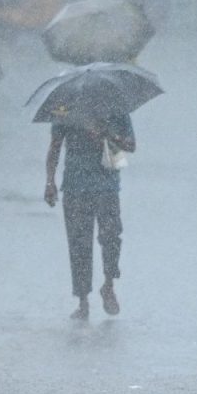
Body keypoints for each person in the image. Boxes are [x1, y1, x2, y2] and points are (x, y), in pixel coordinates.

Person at [44, 114, 135, 320]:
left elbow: (131, 145)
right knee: (79, 244)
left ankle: (109, 284)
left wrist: (108, 135)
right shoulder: (66, 111)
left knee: (111, 237)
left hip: (107, 186)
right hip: (75, 187)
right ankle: (83, 300)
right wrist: (50, 181)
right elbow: (55, 146)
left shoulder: (116, 110)